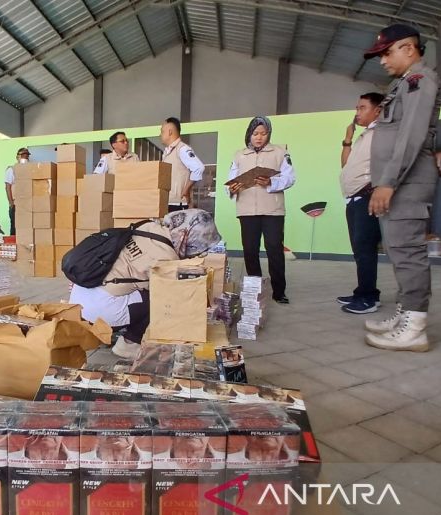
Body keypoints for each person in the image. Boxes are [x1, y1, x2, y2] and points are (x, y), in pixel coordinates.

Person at [361, 24, 441, 352]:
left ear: (409, 49)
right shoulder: (402, 85)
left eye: (386, 52)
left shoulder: (420, 81)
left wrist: (388, 183)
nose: (382, 61)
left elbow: (411, 136)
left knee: (408, 252)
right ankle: (404, 314)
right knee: (397, 250)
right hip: (397, 182)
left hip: (407, 182)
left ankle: (415, 327)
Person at [69, 209, 220, 359]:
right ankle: (128, 345)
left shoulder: (147, 226)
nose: (199, 253)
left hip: (78, 301)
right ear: (190, 237)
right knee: (162, 299)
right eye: (200, 246)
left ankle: (101, 332)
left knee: (133, 288)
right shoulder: (166, 258)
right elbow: (171, 298)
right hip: (100, 311)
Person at [227, 116, 296, 304]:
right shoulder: (239, 155)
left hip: (273, 210)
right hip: (247, 210)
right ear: (249, 134)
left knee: (274, 248)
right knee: (250, 250)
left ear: (269, 134)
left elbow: (290, 178)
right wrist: (232, 188)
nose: (259, 137)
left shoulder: (280, 152)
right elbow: (231, 179)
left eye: (263, 133)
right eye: (255, 133)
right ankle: (255, 290)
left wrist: (271, 182)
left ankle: (279, 291)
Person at [337, 93, 385, 314]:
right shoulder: (364, 136)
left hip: (367, 197)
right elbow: (345, 165)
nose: (357, 112)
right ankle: (363, 291)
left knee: (365, 249)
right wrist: (348, 139)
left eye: (362, 107)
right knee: (359, 249)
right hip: (354, 199)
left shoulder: (382, 133)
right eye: (356, 107)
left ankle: (368, 299)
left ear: (378, 110)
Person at [159, 117, 205, 212]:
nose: (160, 134)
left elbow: (199, 168)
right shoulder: (167, 152)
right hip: (168, 202)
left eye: (162, 131)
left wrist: (186, 189)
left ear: (170, 132)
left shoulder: (182, 149)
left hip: (178, 204)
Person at [4, 147, 29, 236]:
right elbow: (7, 187)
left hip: (26, 203)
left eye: (26, 156)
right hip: (16, 203)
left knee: (26, 227)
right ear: (17, 157)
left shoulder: (29, 170)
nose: (25, 158)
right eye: (22, 156)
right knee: (15, 227)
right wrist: (11, 203)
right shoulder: (12, 169)